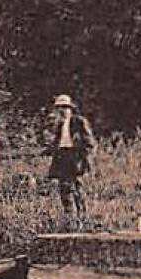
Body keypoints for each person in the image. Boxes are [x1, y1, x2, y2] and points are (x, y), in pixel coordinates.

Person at [44, 93, 96, 230]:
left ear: (70, 108)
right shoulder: (60, 124)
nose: (62, 111)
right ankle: (69, 218)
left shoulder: (79, 121)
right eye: (59, 108)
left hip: (75, 156)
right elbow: (57, 141)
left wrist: (84, 158)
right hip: (62, 156)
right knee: (64, 188)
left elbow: (89, 142)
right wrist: (50, 150)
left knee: (77, 187)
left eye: (64, 107)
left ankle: (82, 217)